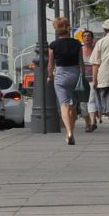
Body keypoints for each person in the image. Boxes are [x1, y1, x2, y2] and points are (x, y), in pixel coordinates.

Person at [45, 17, 85, 145]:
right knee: (73, 105)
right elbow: (81, 62)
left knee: (64, 105)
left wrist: (50, 76)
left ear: (57, 29)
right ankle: (71, 131)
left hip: (61, 75)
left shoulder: (53, 45)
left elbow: (50, 64)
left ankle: (69, 132)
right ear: (68, 27)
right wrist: (82, 75)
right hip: (75, 74)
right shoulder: (77, 43)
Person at [78, 29, 101, 132]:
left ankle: (92, 122)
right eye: (85, 36)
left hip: (93, 79)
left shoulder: (96, 50)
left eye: (89, 36)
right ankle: (88, 123)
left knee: (91, 99)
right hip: (82, 80)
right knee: (83, 102)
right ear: (82, 38)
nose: (87, 37)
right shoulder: (80, 50)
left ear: (92, 39)